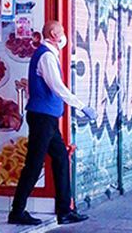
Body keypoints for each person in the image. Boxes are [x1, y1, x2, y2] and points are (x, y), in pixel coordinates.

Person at [8, 20, 95, 226]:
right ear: (54, 34)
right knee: (34, 164)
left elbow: (60, 45)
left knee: (61, 158)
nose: (65, 34)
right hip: (42, 118)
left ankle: (64, 210)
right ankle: (17, 211)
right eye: (62, 31)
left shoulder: (48, 53)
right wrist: (81, 106)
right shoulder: (46, 56)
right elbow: (57, 87)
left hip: (48, 118)